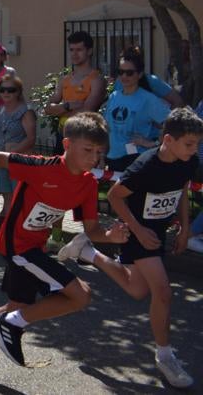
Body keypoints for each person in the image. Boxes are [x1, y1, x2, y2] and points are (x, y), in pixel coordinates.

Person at [0, 112, 127, 376]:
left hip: (36, 247)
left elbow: (92, 229)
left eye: (99, 152)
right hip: (17, 246)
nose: (94, 158)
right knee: (81, 295)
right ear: (67, 144)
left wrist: (110, 237)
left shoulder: (88, 183)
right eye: (88, 149)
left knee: (17, 306)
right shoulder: (42, 167)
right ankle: (11, 325)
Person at [56, 108, 202, 389]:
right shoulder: (146, 166)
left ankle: (87, 252)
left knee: (137, 289)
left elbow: (182, 190)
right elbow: (114, 196)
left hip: (156, 232)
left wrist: (185, 227)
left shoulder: (187, 160)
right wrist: (138, 230)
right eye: (189, 143)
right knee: (163, 291)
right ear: (168, 140)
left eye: (197, 144)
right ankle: (165, 357)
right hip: (137, 232)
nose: (194, 149)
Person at [103, 49, 170, 173]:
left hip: (135, 158)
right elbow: (106, 128)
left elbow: (172, 124)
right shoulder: (114, 96)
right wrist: (102, 156)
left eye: (129, 73)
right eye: (120, 72)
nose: (124, 76)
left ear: (139, 74)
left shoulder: (148, 99)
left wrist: (152, 143)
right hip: (112, 158)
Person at [43, 31, 106, 151]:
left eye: (79, 50)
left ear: (89, 51)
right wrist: (67, 106)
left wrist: (59, 110)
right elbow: (47, 109)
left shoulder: (96, 80)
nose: (74, 54)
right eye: (71, 50)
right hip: (62, 137)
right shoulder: (64, 79)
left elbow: (86, 112)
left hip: (83, 137)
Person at [0, 74, 36, 221]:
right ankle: (7, 227)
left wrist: (11, 152)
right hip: (1, 162)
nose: (6, 93)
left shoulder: (26, 111)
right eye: (3, 89)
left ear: (18, 91)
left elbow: (31, 139)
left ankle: (18, 227)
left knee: (19, 196)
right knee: (6, 195)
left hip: (18, 161)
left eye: (11, 90)